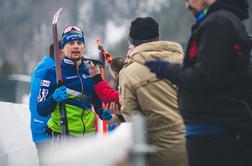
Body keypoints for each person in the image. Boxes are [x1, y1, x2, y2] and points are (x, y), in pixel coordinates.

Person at [145, 0, 252, 166]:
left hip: (213, 132)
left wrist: (167, 69)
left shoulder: (218, 23)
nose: (187, 6)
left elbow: (202, 77)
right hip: (216, 128)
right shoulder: (225, 20)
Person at [119, 17, 188, 166]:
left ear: (131, 42)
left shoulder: (129, 72)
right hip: (197, 142)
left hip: (162, 151)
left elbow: (132, 116)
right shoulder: (184, 60)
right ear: (157, 38)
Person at [37, 25, 112, 138]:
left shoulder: (91, 70)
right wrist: (53, 99)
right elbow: (41, 109)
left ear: (84, 47)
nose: (76, 46)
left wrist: (102, 112)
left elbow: (96, 100)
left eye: (79, 43)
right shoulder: (53, 72)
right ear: (62, 48)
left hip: (88, 136)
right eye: (71, 43)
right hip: (63, 136)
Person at [29, 42, 64, 157]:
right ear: (59, 53)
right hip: (47, 129)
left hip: (38, 127)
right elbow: (43, 103)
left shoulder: (42, 67)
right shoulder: (52, 72)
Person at [86, 57, 125, 126]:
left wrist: (97, 79)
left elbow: (120, 100)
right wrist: (120, 117)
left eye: (130, 49)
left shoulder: (126, 80)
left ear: (115, 72)